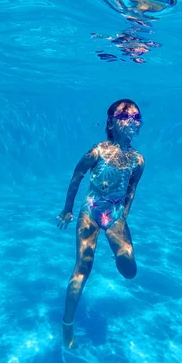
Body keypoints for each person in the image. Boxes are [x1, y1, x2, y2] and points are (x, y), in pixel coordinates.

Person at [56, 99, 145, 348]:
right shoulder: (96, 152)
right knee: (84, 265)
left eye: (136, 117)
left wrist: (124, 214)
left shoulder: (138, 161)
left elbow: (131, 189)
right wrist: (67, 209)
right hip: (91, 211)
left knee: (130, 271)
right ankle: (67, 325)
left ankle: (120, 254)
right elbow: (76, 177)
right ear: (111, 123)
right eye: (124, 116)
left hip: (115, 214)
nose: (131, 121)